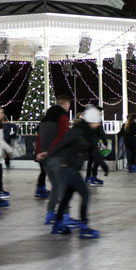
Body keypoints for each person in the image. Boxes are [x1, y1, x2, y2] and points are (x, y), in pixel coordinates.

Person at [38, 104, 109, 239]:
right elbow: (61, 144)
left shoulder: (89, 133)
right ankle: (84, 228)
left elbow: (93, 150)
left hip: (72, 168)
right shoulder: (77, 132)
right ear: (91, 121)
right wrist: (48, 157)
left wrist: (103, 165)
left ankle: (58, 225)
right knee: (85, 195)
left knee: (66, 197)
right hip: (67, 168)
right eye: (97, 121)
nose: (99, 124)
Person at [35, 95, 72, 224]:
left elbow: (39, 137)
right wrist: (51, 151)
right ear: (66, 105)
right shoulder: (62, 116)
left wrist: (39, 153)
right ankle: (65, 215)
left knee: (56, 186)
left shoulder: (45, 118)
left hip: (44, 159)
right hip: (56, 156)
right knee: (63, 186)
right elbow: (62, 135)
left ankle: (50, 213)